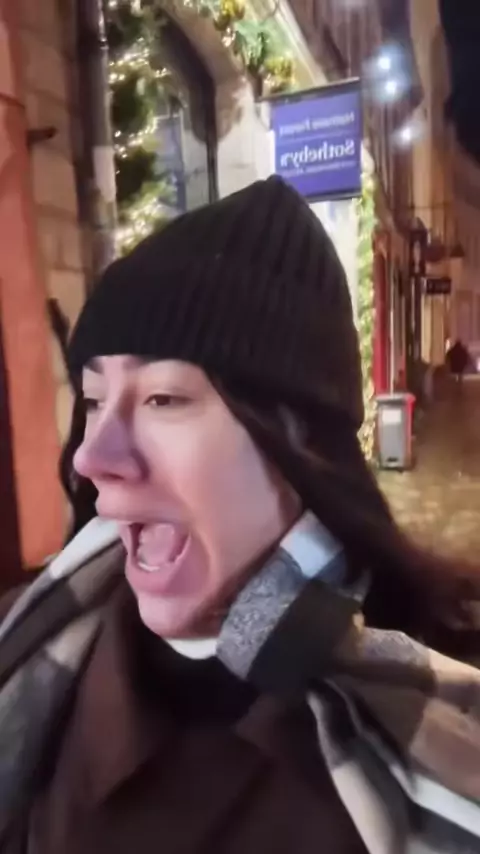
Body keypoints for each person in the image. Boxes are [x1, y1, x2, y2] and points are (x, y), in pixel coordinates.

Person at [1, 177, 479, 854]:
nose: (93, 456)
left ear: (301, 440)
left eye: (165, 398)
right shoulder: (26, 640)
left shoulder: (449, 702)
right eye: (94, 400)